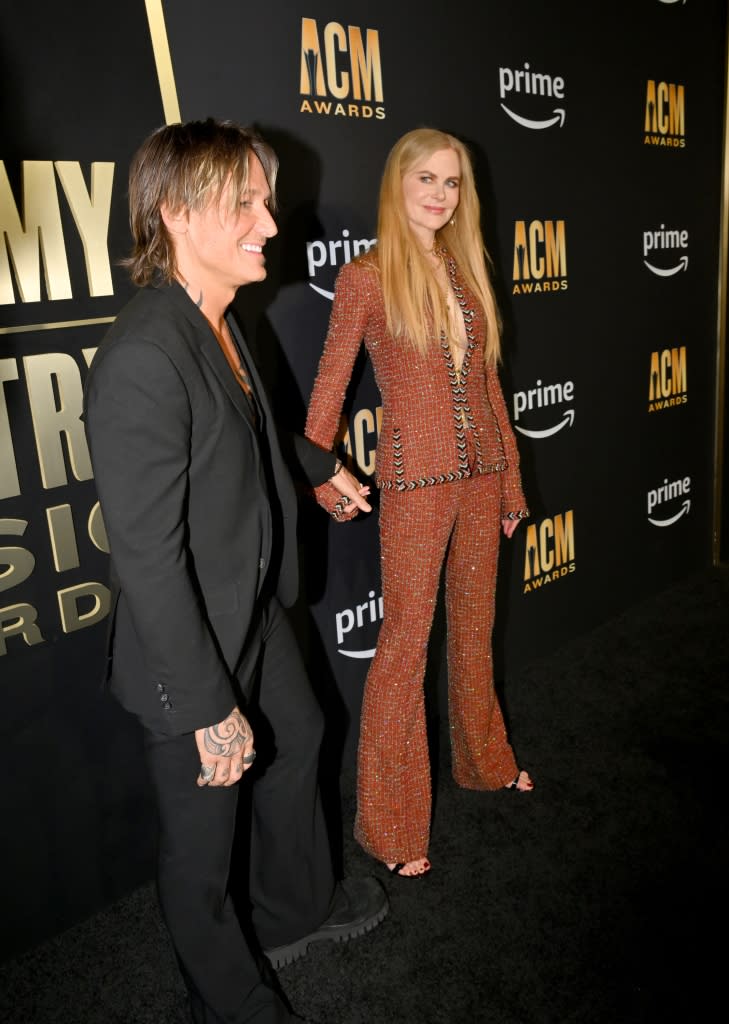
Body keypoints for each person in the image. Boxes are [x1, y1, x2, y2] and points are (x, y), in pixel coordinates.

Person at [83, 118, 388, 1024]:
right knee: (200, 849)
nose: (270, 219)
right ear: (175, 213)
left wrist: (313, 460)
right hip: (189, 656)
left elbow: (247, 428)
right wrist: (209, 707)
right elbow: (147, 557)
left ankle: (294, 910)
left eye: (267, 198)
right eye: (245, 202)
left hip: (251, 613)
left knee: (295, 744)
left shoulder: (215, 317)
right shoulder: (146, 353)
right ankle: (229, 1000)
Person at [304, 127, 534, 881]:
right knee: (403, 650)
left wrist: (509, 484)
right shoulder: (366, 278)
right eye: (426, 179)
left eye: (452, 182)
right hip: (414, 485)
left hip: (479, 478)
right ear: (396, 184)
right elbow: (331, 386)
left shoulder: (465, 274)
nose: (440, 194)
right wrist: (318, 471)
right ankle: (389, 824)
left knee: (474, 633)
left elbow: (489, 387)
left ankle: (483, 762)